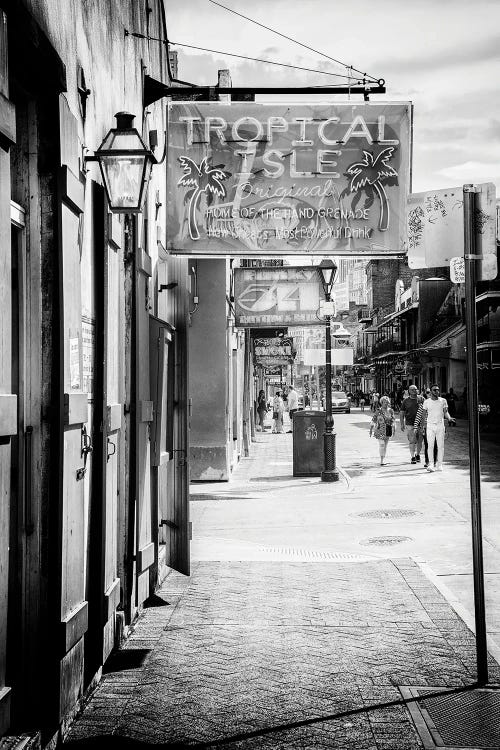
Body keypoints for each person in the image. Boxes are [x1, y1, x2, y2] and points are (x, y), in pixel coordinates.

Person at [420, 384, 456, 471]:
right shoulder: (426, 402)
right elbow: (423, 415)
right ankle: (431, 464)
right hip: (430, 426)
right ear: (431, 392)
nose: (437, 391)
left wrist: (449, 418)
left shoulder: (443, 401)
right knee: (430, 446)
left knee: (440, 446)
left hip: (440, 425)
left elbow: (446, 412)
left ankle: (440, 464)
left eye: (437, 390)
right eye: (434, 390)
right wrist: (422, 427)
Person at [369, 395, 395, 465]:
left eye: (387, 402)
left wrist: (394, 428)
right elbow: (373, 420)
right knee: (382, 444)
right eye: (384, 402)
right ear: (381, 403)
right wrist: (371, 429)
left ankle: (383, 459)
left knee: (385, 446)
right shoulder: (378, 411)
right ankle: (381, 461)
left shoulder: (391, 411)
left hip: (388, 430)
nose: (385, 403)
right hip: (379, 430)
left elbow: (393, 420)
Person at [400, 384, 422, 464]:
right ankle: (412, 456)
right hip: (410, 423)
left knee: (420, 440)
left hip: (420, 424)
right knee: (412, 441)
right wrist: (402, 424)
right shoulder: (406, 401)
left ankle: (418, 454)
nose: (414, 391)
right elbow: (402, 413)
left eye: (415, 389)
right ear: (409, 391)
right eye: (412, 389)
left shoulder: (421, 399)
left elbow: (427, 411)